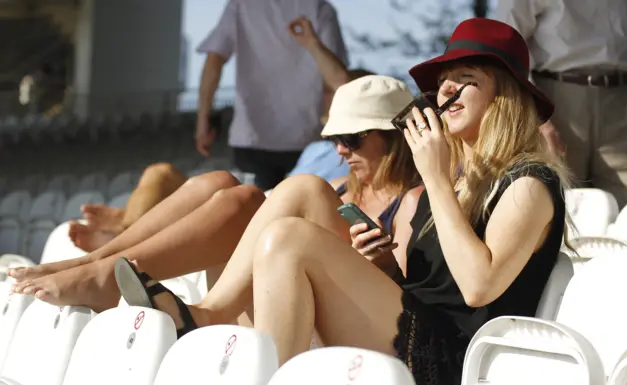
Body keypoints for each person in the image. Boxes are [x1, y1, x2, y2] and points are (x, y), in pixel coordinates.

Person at [112, 18, 570, 385]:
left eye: (464, 77)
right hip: (413, 322)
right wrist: (384, 264)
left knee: (290, 239)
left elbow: (477, 286)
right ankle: (210, 313)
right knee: (300, 190)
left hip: (452, 359)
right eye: (442, 80)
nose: (444, 89)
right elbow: (429, 281)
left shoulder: (528, 183)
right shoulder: (455, 180)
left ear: (504, 96)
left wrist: (434, 177)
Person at [11, 75, 423, 315]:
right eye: (335, 138)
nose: (339, 151)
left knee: (262, 196)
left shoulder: (414, 199)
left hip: (339, 317)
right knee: (220, 184)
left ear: (396, 138)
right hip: (274, 300)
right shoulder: (339, 189)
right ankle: (96, 265)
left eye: (351, 137)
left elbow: (418, 286)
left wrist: (384, 263)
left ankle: (107, 274)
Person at [67, 15, 359, 253]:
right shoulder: (314, 150)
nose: (324, 97)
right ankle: (126, 225)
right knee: (160, 173)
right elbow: (215, 59)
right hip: (264, 202)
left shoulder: (360, 155)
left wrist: (310, 43)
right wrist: (203, 117)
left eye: (331, 93)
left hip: (274, 215)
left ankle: (120, 240)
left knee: (223, 188)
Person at [494, 0, 627, 207]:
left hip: (624, 98)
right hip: (554, 99)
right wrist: (535, 115)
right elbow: (505, 45)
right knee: (558, 204)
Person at [195, 0, 348, 191]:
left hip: (254, 137)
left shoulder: (241, 5)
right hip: (307, 137)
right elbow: (338, 79)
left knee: (255, 212)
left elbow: (214, 60)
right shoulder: (319, 8)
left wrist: (203, 120)